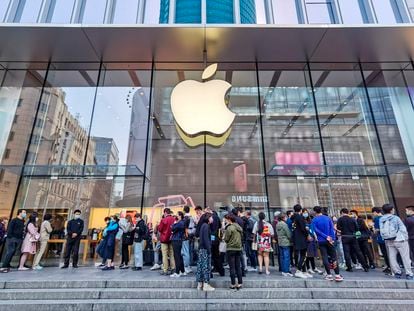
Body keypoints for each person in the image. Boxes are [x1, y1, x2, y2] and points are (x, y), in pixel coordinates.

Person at [380, 204, 413, 280]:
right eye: (393, 209)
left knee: (392, 257)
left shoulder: (382, 219)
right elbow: (403, 229)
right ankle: (409, 273)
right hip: (399, 240)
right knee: (405, 257)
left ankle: (397, 272)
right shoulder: (395, 218)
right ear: (391, 210)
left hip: (388, 240)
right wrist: (406, 238)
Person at [312, 206, 343, 282]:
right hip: (330, 240)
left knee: (324, 257)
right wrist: (331, 238)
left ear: (315, 212)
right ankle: (337, 275)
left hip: (321, 240)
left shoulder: (314, 220)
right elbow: (332, 228)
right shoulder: (327, 218)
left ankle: (329, 274)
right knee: (334, 257)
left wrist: (325, 237)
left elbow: (315, 230)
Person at [337, 208, 369, 272]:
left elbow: (338, 227)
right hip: (353, 236)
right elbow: (357, 228)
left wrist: (343, 230)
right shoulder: (352, 219)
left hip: (345, 236)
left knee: (346, 252)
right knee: (358, 252)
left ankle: (349, 267)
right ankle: (365, 266)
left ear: (342, 212)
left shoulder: (340, 219)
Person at [196, 212, 215, 291]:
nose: (212, 219)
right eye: (211, 217)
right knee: (206, 267)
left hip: (201, 249)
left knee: (200, 266)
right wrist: (209, 250)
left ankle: (200, 284)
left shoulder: (203, 226)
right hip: (205, 249)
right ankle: (206, 284)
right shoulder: (206, 226)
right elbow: (206, 240)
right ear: (208, 218)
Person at [224, 213, 243, 290]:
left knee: (232, 267)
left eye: (226, 219)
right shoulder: (239, 227)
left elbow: (226, 239)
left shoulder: (229, 228)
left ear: (229, 219)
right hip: (238, 248)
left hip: (231, 248)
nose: (225, 220)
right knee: (238, 266)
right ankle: (240, 283)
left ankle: (233, 283)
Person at [291, 204, 309, 278]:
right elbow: (303, 228)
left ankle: (304, 271)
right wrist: (307, 234)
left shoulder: (292, 217)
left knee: (301, 254)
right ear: (301, 210)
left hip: (296, 238)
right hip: (301, 238)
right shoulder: (300, 217)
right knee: (304, 254)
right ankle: (298, 270)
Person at [372, 207, 391, 274]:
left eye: (373, 213)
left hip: (381, 238)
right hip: (388, 238)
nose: (373, 214)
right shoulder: (386, 218)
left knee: (385, 253)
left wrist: (373, 230)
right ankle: (391, 266)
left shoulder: (377, 219)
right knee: (389, 253)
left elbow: (376, 230)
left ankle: (389, 266)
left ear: (375, 212)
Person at [303, 209, 322, 274]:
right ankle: (308, 268)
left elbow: (312, 229)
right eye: (304, 212)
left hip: (312, 238)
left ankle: (314, 267)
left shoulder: (310, 220)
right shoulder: (302, 221)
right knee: (308, 255)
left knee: (312, 254)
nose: (305, 214)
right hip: (306, 239)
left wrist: (315, 237)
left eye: (306, 212)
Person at [158, 208, 176, 275]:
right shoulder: (174, 219)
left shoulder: (163, 220)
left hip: (164, 239)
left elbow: (160, 229)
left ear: (165, 212)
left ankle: (165, 270)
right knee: (172, 254)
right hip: (172, 239)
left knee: (164, 255)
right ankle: (173, 268)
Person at [170, 211, 186, 277]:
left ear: (180, 216)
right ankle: (182, 271)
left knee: (177, 256)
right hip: (178, 240)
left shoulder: (180, 223)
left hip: (176, 240)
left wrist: (174, 223)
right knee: (179, 256)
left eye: (177, 215)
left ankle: (177, 272)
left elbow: (172, 227)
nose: (175, 217)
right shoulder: (181, 222)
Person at [182, 205, 194, 274]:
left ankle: (186, 266)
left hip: (186, 235)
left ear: (184, 210)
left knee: (186, 251)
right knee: (189, 251)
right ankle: (189, 265)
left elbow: (184, 227)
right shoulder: (191, 217)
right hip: (191, 235)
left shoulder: (185, 218)